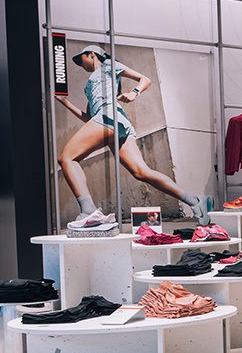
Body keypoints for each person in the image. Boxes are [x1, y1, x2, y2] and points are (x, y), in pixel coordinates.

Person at [54, 44, 205, 230]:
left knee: (66, 158)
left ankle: (88, 211)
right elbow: (89, 119)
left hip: (109, 118)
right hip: (114, 123)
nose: (80, 64)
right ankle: (194, 200)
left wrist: (134, 93)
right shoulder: (91, 85)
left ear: (92, 54)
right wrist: (65, 103)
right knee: (141, 172)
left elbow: (145, 79)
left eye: (81, 59)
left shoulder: (108, 65)